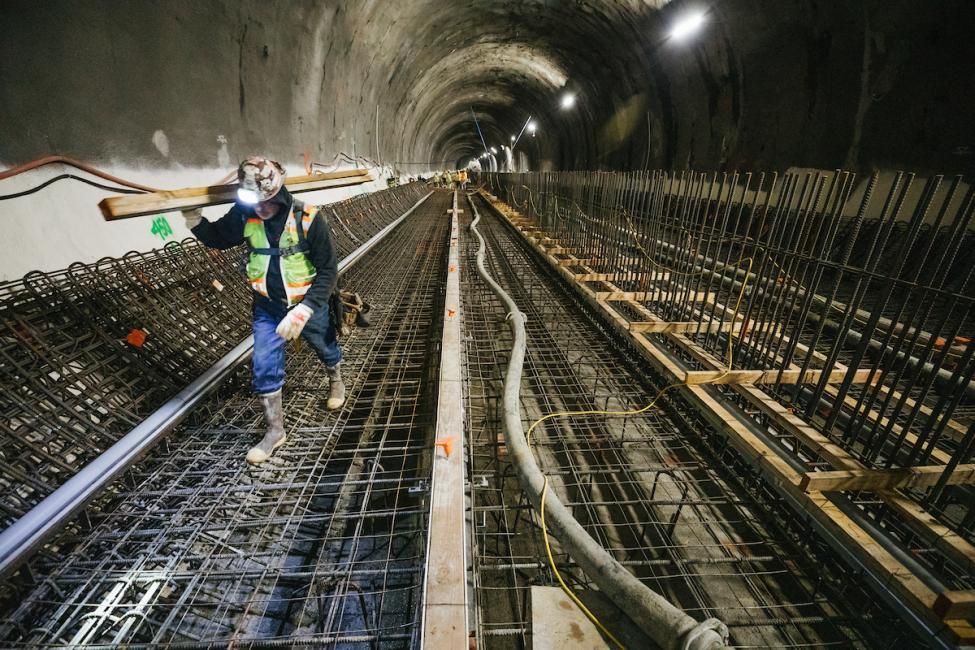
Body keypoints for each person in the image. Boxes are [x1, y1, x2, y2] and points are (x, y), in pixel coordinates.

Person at [183, 156, 346, 465]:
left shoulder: (308, 217)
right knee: (263, 364)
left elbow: (328, 271)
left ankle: (335, 377)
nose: (259, 209)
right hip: (268, 307)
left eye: (265, 203)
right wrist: (195, 221)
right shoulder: (245, 214)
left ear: (278, 194)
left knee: (324, 344)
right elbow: (218, 238)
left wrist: (305, 311)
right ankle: (275, 431)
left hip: (306, 303)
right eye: (253, 203)